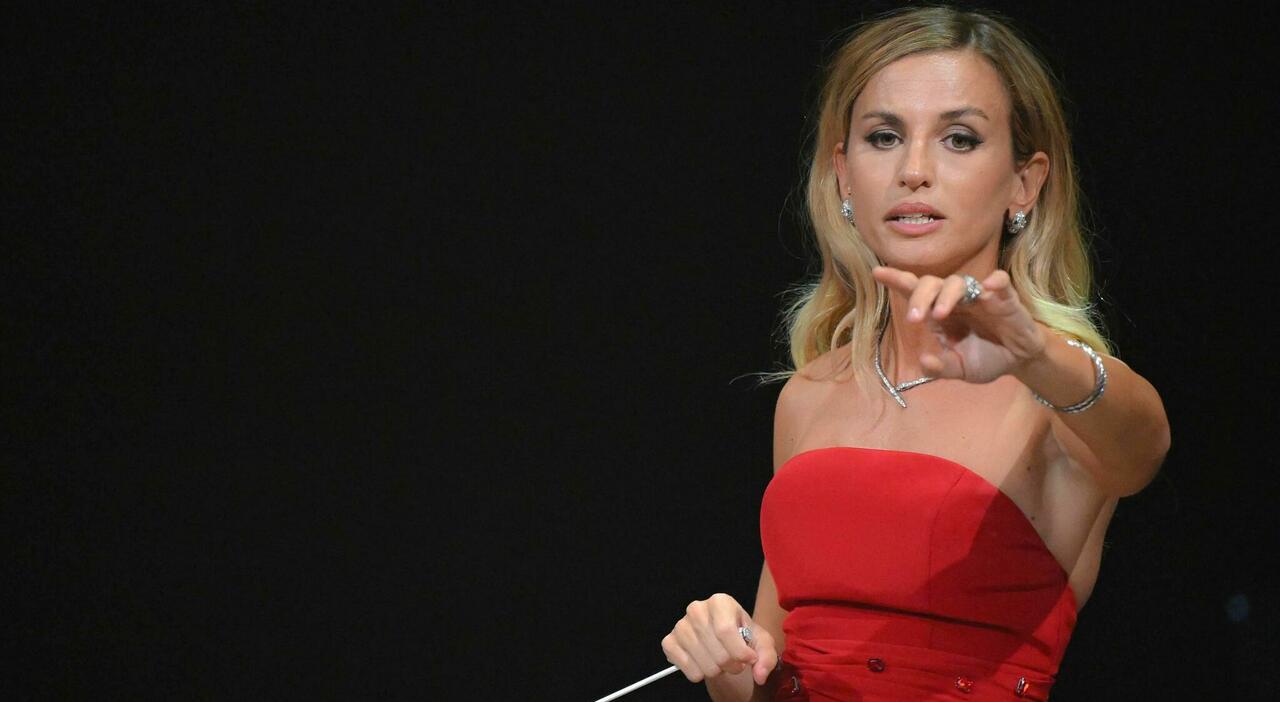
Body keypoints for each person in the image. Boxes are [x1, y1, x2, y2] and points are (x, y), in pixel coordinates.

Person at [660, 5, 1170, 701]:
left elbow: (1144, 449)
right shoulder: (808, 396)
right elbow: (769, 676)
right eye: (884, 137)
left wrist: (1034, 356)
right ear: (844, 175)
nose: (914, 170)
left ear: (1024, 183)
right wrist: (726, 657)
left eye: (959, 138)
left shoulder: (1061, 391)